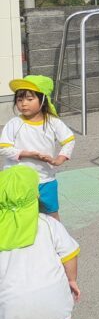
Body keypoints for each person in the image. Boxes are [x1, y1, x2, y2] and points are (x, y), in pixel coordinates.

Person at [0, 166, 80, 319]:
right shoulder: (47, 223)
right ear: (35, 195)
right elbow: (70, 255)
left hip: (11, 306)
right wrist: (72, 280)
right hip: (51, 299)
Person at [0, 76, 75, 220]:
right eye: (19, 100)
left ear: (43, 100)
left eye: (29, 99)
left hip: (45, 179)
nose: (24, 104)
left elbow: (69, 140)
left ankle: (56, 234)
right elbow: (3, 148)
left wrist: (58, 160)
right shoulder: (14, 123)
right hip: (19, 181)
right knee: (21, 215)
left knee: (52, 213)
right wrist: (27, 154)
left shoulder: (53, 122)